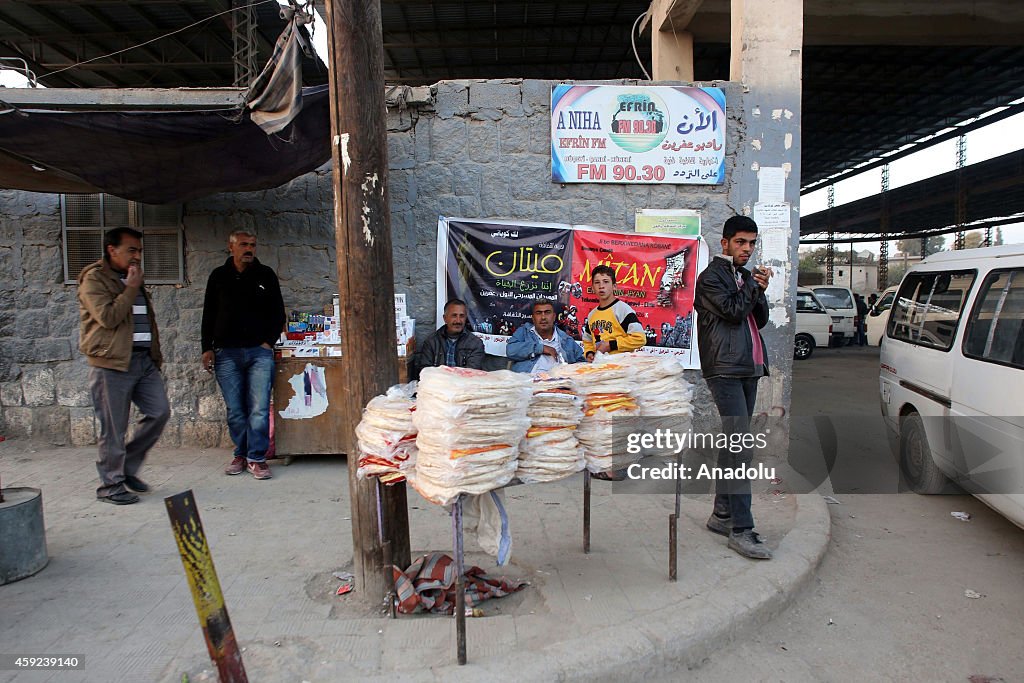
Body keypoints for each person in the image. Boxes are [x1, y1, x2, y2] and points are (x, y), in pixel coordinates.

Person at [694, 215, 773, 560]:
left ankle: (722, 515)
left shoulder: (742, 277)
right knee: (741, 446)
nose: (747, 249)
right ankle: (742, 529)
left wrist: (760, 291)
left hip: (748, 367)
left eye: (751, 243)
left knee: (734, 445)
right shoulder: (711, 278)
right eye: (741, 242)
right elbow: (733, 311)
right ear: (724, 242)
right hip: (724, 369)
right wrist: (754, 289)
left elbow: (759, 318)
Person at [78, 227, 170, 505]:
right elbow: (108, 317)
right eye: (132, 250)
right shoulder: (94, 279)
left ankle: (126, 468)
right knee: (114, 429)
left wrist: (154, 355)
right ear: (111, 250)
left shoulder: (132, 278)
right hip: (111, 363)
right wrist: (130, 288)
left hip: (143, 361)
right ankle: (110, 486)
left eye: (139, 251)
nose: (137, 256)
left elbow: (145, 319)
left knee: (159, 412)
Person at [201, 230, 285, 481]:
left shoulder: (265, 275)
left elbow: (278, 313)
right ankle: (241, 453)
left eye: (252, 245)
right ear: (231, 247)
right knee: (236, 409)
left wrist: (268, 343)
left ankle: (257, 459)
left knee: (258, 408)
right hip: (226, 353)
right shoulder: (218, 276)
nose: (249, 249)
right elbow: (208, 314)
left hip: (259, 353)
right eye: (244, 245)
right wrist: (207, 347)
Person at [581, 265, 647, 361]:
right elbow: (587, 340)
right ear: (593, 288)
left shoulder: (622, 310)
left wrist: (611, 345)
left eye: (606, 282)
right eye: (597, 282)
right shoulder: (592, 315)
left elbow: (640, 338)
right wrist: (589, 353)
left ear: (614, 286)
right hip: (600, 367)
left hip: (622, 367)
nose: (601, 286)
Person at [506, 299, 585, 374]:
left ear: (554, 317)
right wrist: (541, 348)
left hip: (557, 385)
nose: (543, 317)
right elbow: (511, 351)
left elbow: (581, 362)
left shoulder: (566, 340)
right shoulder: (524, 332)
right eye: (539, 313)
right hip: (526, 383)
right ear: (533, 318)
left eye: (547, 312)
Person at [412, 299, 485, 378]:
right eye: (454, 315)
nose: (458, 321)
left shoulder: (476, 344)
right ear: (445, 318)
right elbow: (425, 371)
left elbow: (472, 374)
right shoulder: (432, 341)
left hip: (464, 387)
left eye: (462, 316)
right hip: (438, 386)